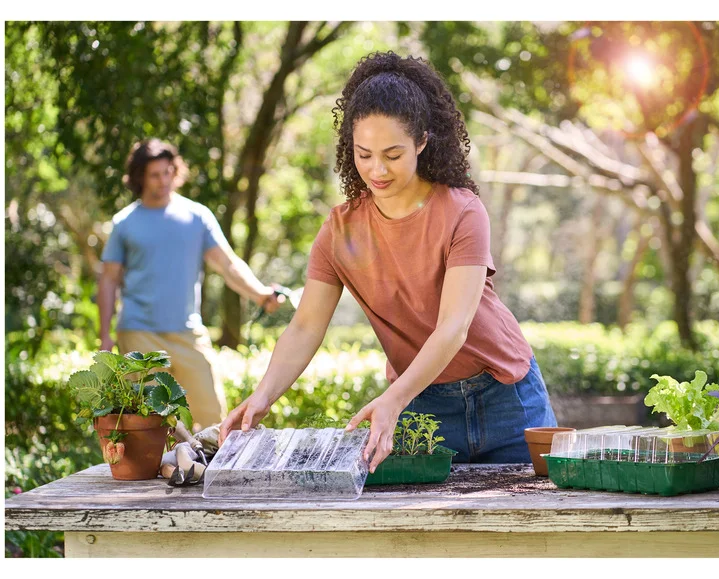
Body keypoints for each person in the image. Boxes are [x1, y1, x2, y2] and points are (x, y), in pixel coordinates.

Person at [218, 51, 557, 471]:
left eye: (392, 155)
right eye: (364, 154)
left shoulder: (463, 212)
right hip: (421, 405)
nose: (376, 169)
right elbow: (305, 325)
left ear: (421, 142)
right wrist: (262, 396)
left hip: (507, 397)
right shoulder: (340, 232)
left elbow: (453, 326)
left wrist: (393, 400)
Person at [99, 138, 284, 431]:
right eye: (154, 175)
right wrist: (104, 335)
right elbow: (108, 280)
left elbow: (228, 264)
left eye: (167, 172)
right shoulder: (125, 223)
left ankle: (212, 474)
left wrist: (261, 294)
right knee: (148, 425)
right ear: (140, 178)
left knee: (213, 417)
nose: (163, 181)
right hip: (139, 334)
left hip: (188, 334)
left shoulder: (197, 216)